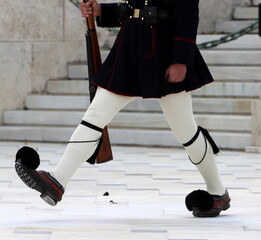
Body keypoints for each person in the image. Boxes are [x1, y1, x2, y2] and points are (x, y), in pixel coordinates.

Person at [15, 0, 230, 217]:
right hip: (131, 48)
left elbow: (188, 11)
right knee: (96, 114)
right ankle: (57, 180)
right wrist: (102, 10)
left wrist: (181, 60)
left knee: (185, 130)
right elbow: (134, 7)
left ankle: (217, 192)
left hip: (164, 51)